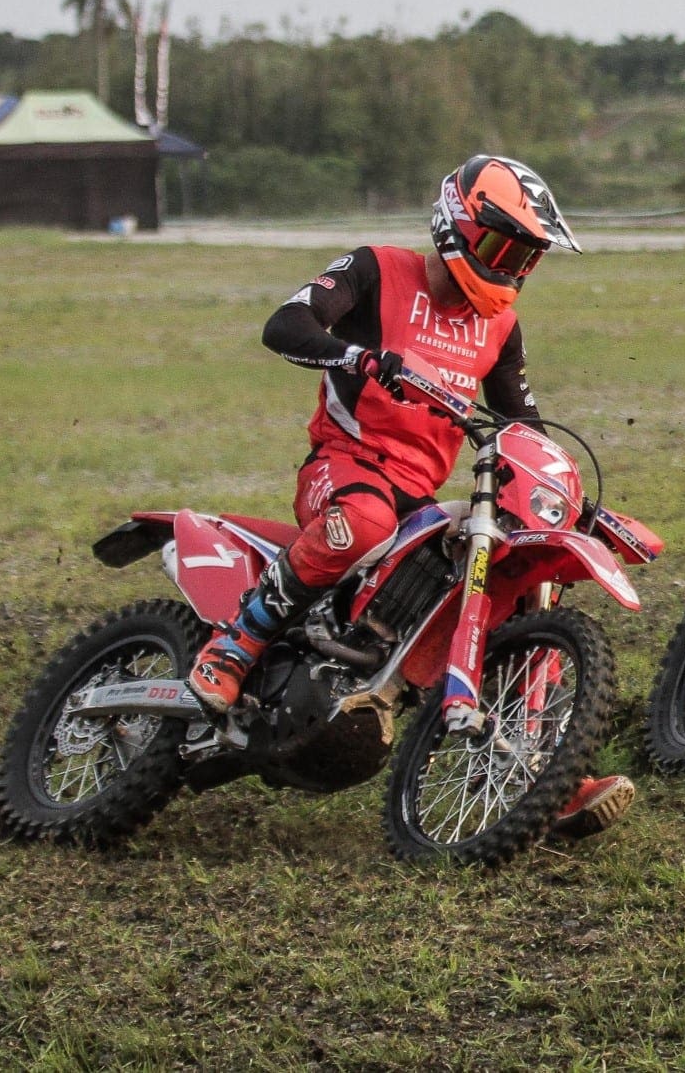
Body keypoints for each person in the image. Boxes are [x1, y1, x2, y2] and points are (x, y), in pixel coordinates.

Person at [185, 154, 634, 839]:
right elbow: (285, 325)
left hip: (419, 495)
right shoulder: (376, 269)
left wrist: (574, 502)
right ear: (455, 224)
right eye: (499, 247)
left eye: (524, 258)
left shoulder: (500, 329)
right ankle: (234, 646)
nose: (509, 269)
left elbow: (524, 424)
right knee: (361, 521)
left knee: (508, 577)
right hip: (344, 467)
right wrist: (359, 357)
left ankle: (547, 771)